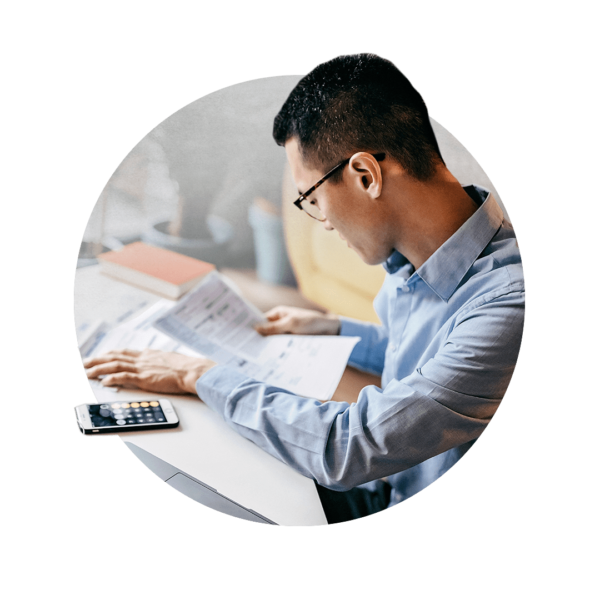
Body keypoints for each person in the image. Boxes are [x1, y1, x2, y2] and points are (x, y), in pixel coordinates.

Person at [83, 53, 525, 523]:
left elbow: (351, 446)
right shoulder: (426, 258)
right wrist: (331, 326)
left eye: (312, 199)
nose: (324, 223)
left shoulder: (508, 306)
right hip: (389, 483)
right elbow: (423, 358)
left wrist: (199, 375)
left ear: (365, 176)